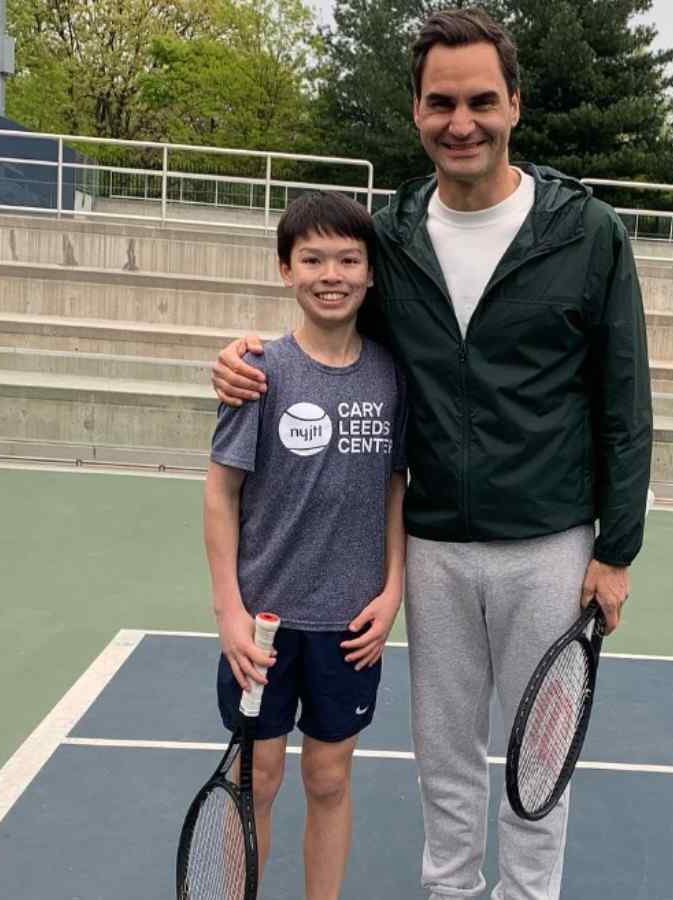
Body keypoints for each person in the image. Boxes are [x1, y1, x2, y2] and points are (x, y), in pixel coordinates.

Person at [210, 9, 652, 899]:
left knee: (540, 765)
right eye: (441, 102)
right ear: (415, 111)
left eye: (482, 100)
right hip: (435, 552)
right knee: (443, 765)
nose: (462, 122)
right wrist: (241, 354)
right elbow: (325, 325)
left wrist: (617, 549)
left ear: (515, 105)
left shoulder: (587, 232)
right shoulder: (390, 239)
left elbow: (625, 400)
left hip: (550, 548)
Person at [203, 190, 408, 900]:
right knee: (255, 780)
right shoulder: (259, 371)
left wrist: (393, 592)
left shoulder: (391, 374)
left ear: (371, 272)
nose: (332, 273)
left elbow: (394, 490)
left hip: (350, 628)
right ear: (285, 268)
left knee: (329, 779)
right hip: (263, 628)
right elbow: (220, 493)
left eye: (349, 259)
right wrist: (230, 613)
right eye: (313, 258)